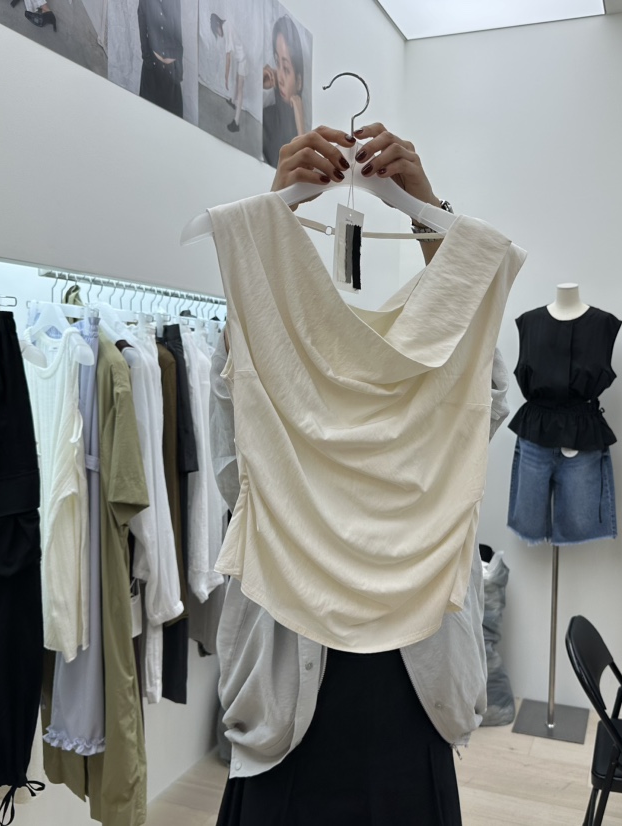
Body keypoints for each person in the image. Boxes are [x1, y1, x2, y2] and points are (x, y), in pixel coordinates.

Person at [210, 124, 508, 825]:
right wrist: (270, 219)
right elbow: (235, 456)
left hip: (414, 691)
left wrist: (431, 217)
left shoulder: (450, 407)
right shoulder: (263, 389)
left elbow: (484, 388)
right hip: (287, 700)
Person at [261, 15, 306, 168]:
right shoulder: (266, 117)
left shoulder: (301, 128)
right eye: (277, 62)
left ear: (299, 82)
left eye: (286, 68)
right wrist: (256, 83)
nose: (280, 77)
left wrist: (301, 129)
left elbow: (304, 172)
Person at [138, 0, 183, 117]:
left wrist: (178, 64)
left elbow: (177, 28)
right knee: (148, 116)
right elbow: (142, 25)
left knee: (172, 118)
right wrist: (147, 58)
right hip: (152, 68)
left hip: (171, 69)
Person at [209, 13, 247, 134]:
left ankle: (236, 123)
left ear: (217, 25)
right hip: (240, 58)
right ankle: (233, 102)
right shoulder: (227, 25)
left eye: (216, 31)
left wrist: (226, 77)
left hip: (243, 60)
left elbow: (228, 57)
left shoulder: (226, 28)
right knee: (236, 81)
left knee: (240, 89)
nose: (218, 34)